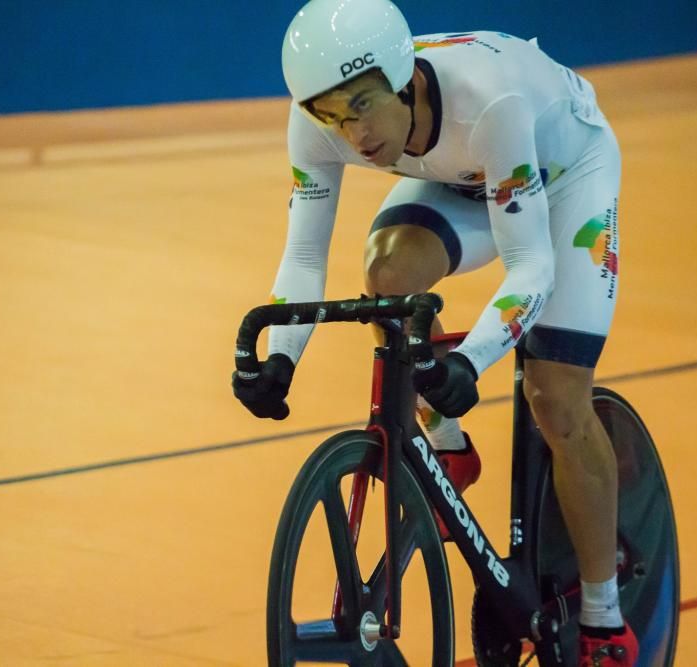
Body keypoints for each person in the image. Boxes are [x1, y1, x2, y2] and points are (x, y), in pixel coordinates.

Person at [234, 1, 636, 664]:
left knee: (557, 401)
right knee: (388, 273)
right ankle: (448, 447)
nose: (352, 133)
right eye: (331, 115)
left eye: (362, 106)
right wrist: (282, 357)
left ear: (402, 79)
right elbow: (305, 256)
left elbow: (532, 263)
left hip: (564, 177)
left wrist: (470, 361)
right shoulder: (320, 121)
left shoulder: (492, 98)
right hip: (466, 176)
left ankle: (603, 618)